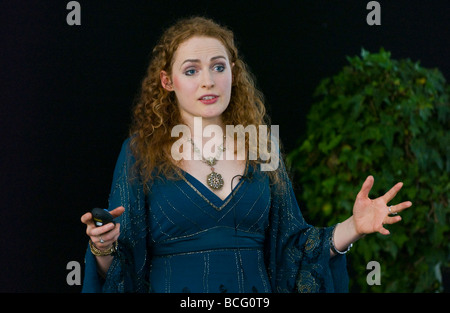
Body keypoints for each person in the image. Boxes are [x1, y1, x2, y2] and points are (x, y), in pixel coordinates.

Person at [81, 16, 412, 293]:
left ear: (233, 73)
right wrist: (102, 244)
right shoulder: (140, 151)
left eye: (218, 67)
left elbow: (294, 248)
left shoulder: (262, 145)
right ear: (168, 81)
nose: (208, 81)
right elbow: (121, 268)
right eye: (191, 70)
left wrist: (353, 226)